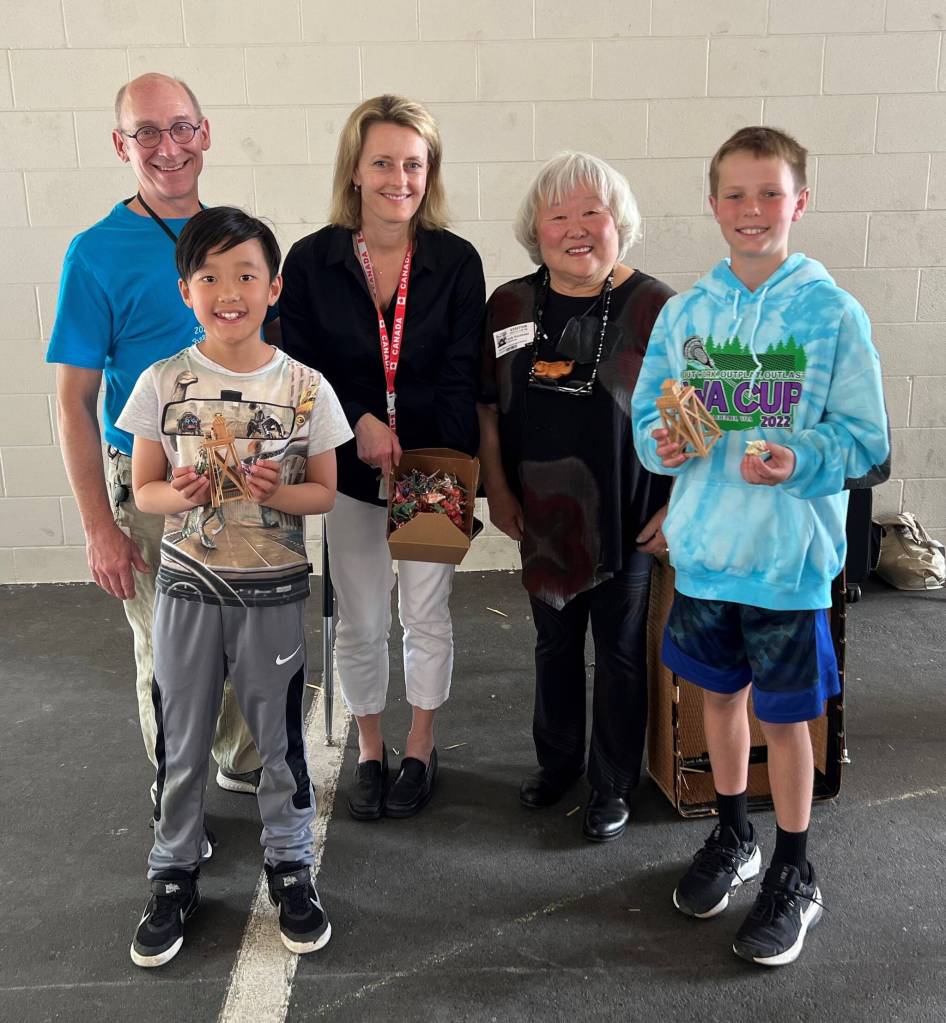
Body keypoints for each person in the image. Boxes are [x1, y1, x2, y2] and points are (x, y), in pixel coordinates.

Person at [631, 126, 889, 966]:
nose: (752, 210)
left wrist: (804, 458)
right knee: (721, 701)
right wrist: (659, 447)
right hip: (707, 555)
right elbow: (646, 421)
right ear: (713, 205)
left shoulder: (832, 313)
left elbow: (866, 440)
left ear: (800, 202)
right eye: (735, 194)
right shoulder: (685, 313)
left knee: (788, 719)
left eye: (769, 193)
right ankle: (734, 835)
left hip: (789, 563)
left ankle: (793, 867)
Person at [118, 207, 353, 966]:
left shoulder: (306, 385)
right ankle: (172, 873)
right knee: (180, 739)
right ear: (186, 290)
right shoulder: (163, 381)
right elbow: (146, 488)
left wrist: (274, 492)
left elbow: (323, 491)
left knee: (280, 743)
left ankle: (290, 866)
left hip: (274, 595)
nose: (230, 290)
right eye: (211, 276)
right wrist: (180, 495)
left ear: (274, 286)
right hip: (187, 592)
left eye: (247, 274)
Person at [45, 73, 261, 804]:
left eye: (180, 128)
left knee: (239, 633)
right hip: (146, 480)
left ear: (205, 132)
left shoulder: (238, 236)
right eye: (147, 132)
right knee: (172, 651)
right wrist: (99, 527)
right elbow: (73, 401)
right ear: (120, 144)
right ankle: (179, 798)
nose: (167, 148)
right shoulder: (95, 252)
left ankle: (238, 753)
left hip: (235, 474)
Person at [279, 94, 485, 821]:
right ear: (355, 171)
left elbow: (465, 370)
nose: (400, 177)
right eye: (384, 163)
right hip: (348, 465)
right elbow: (297, 366)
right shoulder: (311, 260)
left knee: (425, 614)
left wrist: (434, 463)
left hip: (431, 467)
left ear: (430, 173)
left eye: (414, 163)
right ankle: (370, 746)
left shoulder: (457, 261)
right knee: (361, 616)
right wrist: (358, 419)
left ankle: (421, 744)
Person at [477, 152, 675, 842]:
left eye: (593, 211)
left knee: (620, 652)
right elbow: (486, 408)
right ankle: (557, 762)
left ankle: (613, 783)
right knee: (552, 644)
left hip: (628, 511)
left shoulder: (659, 306)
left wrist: (675, 505)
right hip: (542, 514)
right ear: (537, 229)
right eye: (558, 214)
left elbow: (695, 417)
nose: (576, 227)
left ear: (619, 221)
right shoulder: (508, 304)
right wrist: (496, 488)